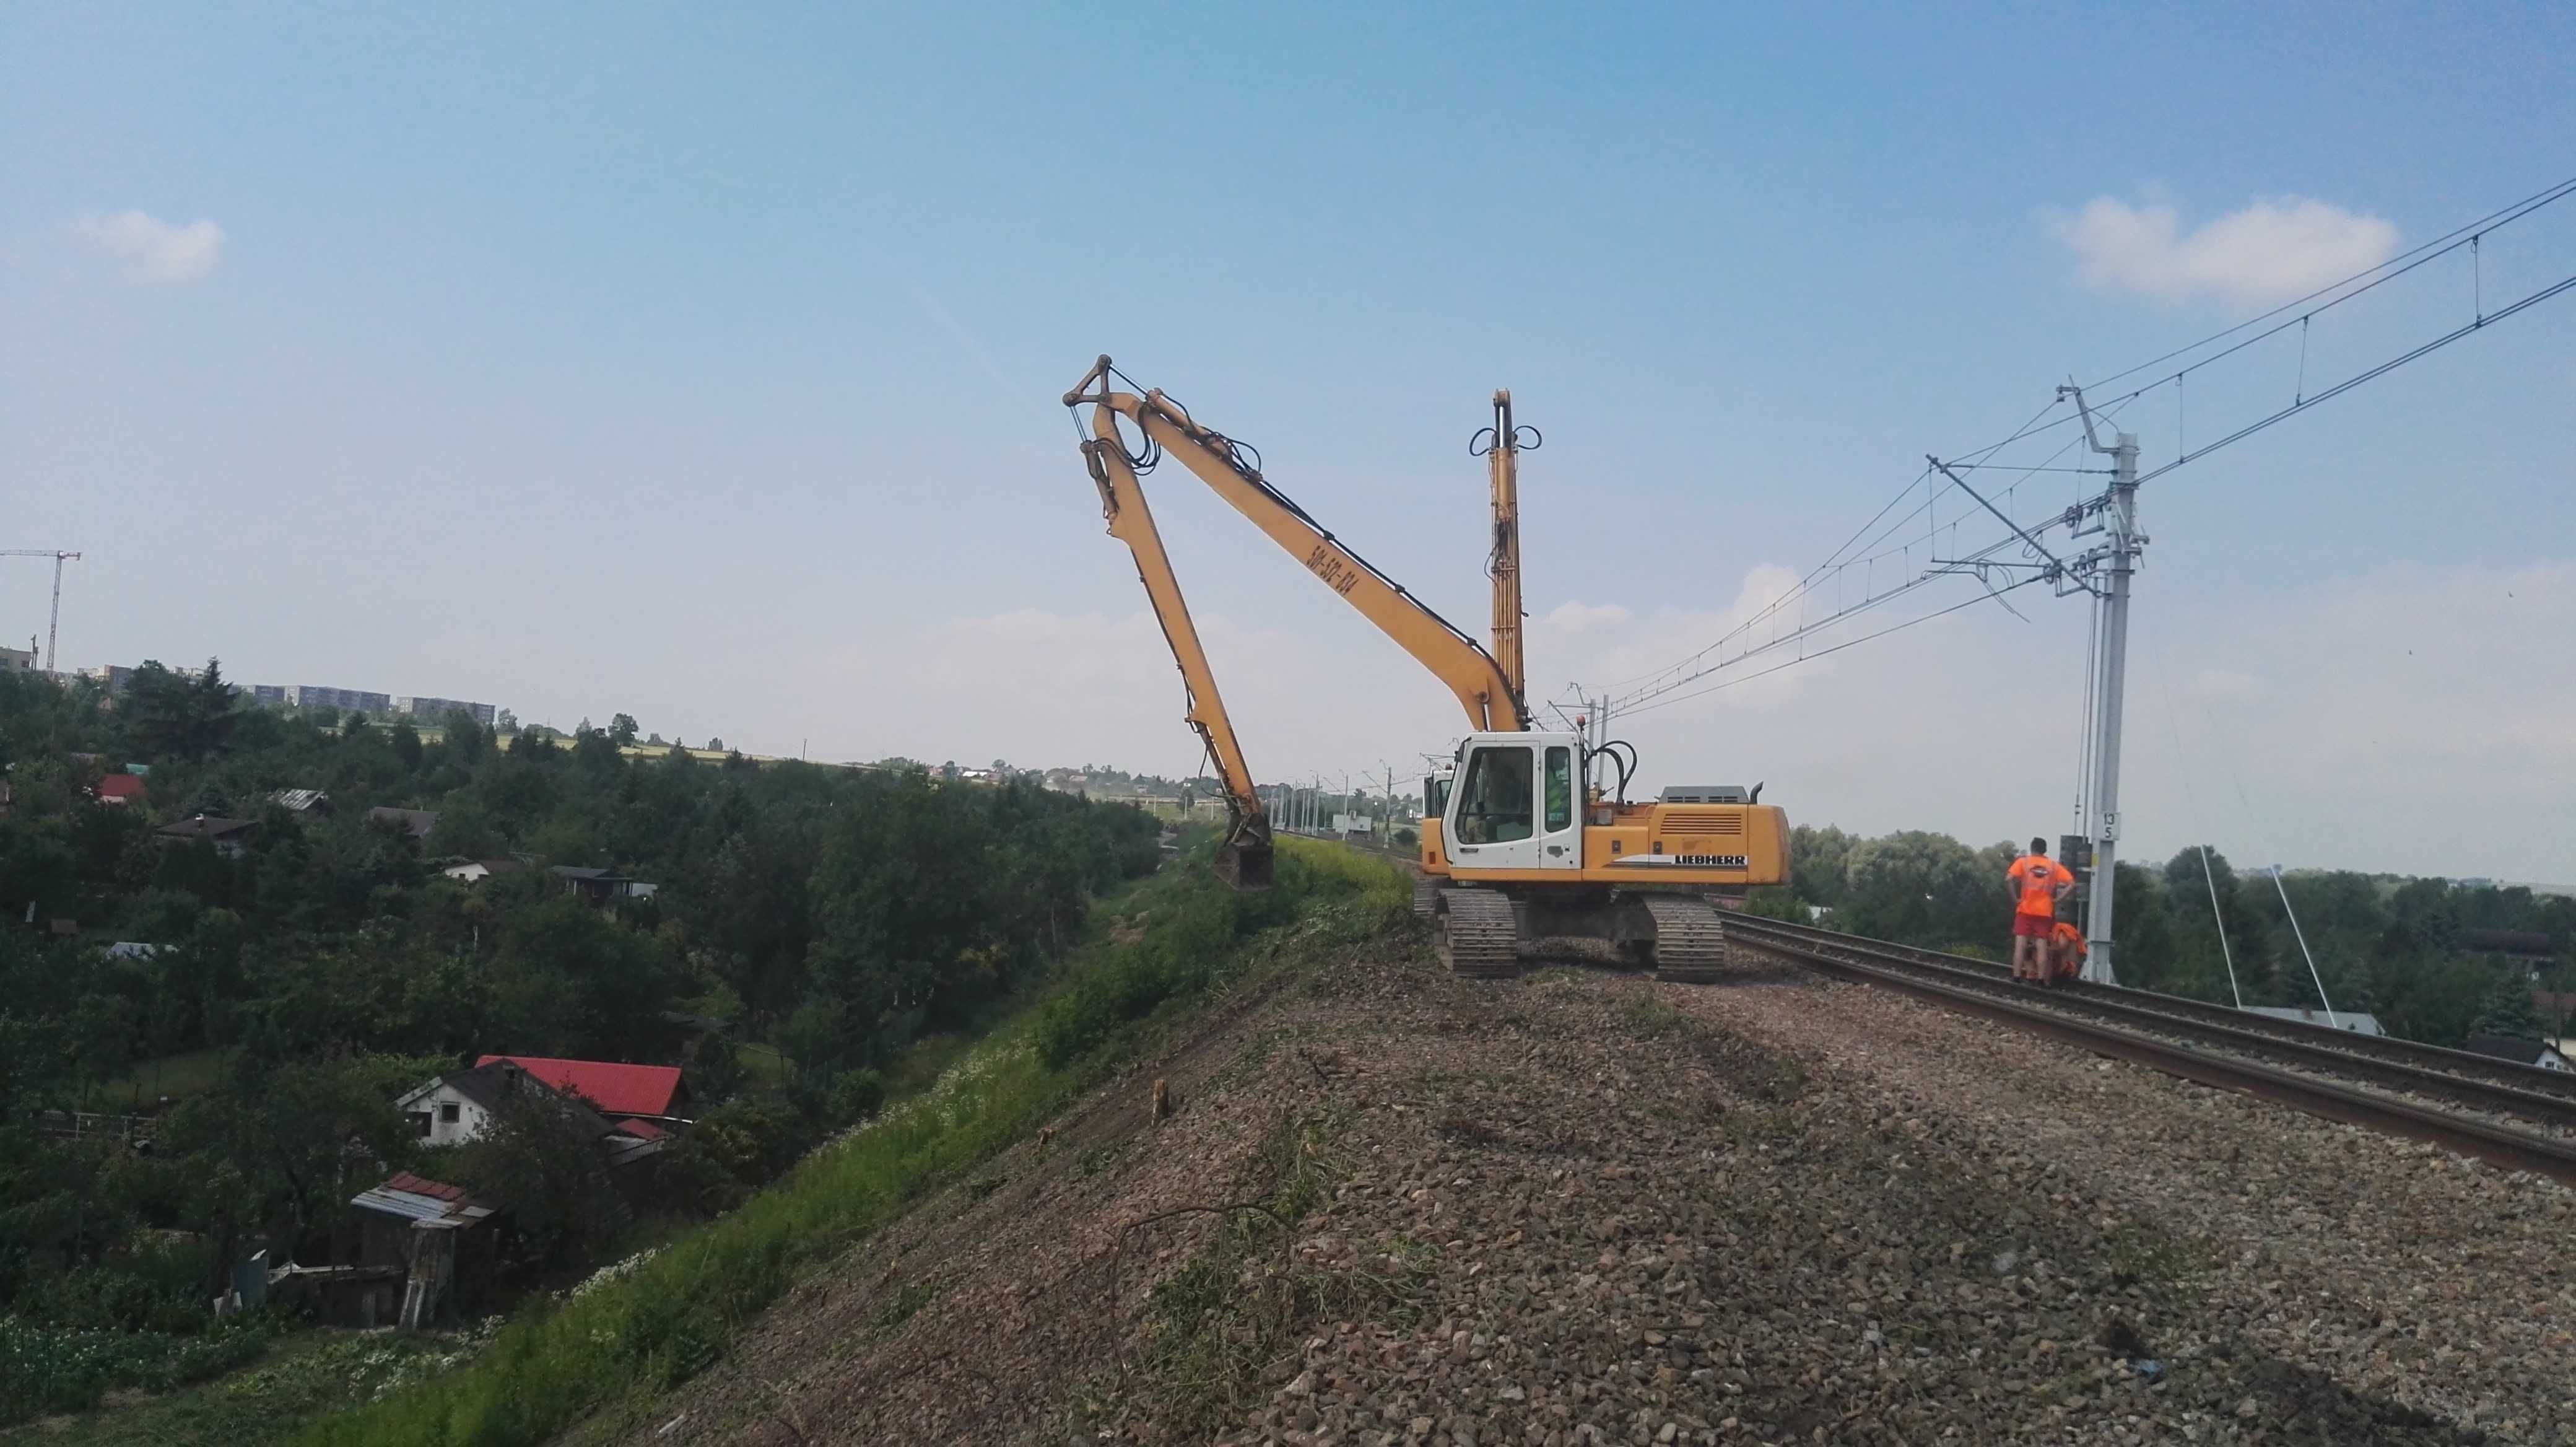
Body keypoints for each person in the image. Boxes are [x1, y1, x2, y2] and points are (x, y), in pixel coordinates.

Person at [2006, 837, 2074, 982]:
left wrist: (2015, 898)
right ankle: (2042, 979)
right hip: (2044, 911)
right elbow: (2071, 883)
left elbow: (2009, 879)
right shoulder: (2053, 866)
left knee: (2021, 943)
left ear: (2032, 848)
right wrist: (2058, 899)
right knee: (2041, 944)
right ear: (2045, 850)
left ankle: (2017, 977)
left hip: (2025, 909)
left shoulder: (2023, 862)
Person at [2049, 918, 2088, 982]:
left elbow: (2063, 945)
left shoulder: (2061, 929)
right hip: (2076, 954)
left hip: (2072, 956)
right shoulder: (2060, 928)